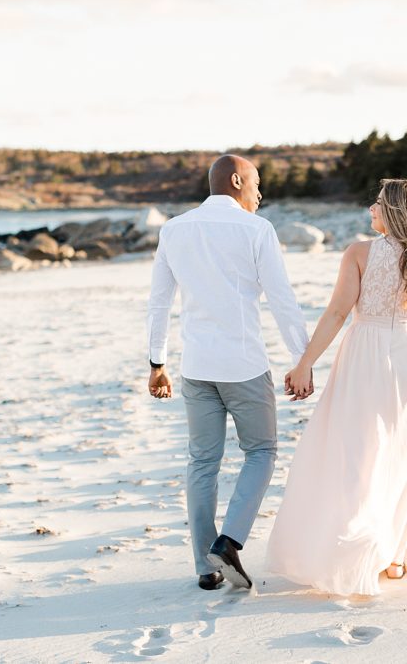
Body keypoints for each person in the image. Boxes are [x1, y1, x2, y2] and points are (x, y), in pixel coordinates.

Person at [267, 178, 407, 596]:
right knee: (405, 458)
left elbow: (336, 312)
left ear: (395, 212)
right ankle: (395, 555)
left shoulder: (359, 254)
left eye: (379, 203)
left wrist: (305, 363)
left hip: (365, 359)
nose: (371, 208)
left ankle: (363, 549)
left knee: (359, 455)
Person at [146, 154, 311, 590]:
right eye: (257, 183)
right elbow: (281, 297)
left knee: (202, 462)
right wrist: (303, 357)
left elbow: (159, 301)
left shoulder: (175, 228)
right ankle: (229, 540)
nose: (260, 193)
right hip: (244, 367)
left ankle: (206, 567)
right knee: (261, 452)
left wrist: (156, 363)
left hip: (196, 368)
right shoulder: (257, 230)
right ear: (236, 180)